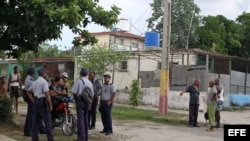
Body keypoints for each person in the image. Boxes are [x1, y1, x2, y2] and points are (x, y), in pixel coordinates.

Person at [27, 68, 54, 141]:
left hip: (36, 103)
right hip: (43, 104)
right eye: (46, 73)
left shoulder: (35, 82)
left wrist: (33, 100)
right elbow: (47, 94)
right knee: (47, 122)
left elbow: (28, 91)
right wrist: (50, 104)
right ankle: (50, 139)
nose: (47, 74)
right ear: (43, 74)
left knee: (36, 122)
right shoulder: (44, 82)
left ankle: (35, 138)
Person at [71, 68, 94, 141]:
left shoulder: (78, 81)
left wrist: (75, 100)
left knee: (80, 119)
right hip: (87, 102)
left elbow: (74, 92)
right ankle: (85, 137)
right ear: (87, 74)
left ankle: (81, 138)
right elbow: (92, 95)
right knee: (85, 119)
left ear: (80, 74)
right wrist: (90, 103)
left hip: (80, 102)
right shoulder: (90, 83)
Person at [23, 67, 45, 136]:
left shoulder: (30, 78)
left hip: (34, 97)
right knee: (30, 115)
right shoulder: (29, 80)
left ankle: (41, 129)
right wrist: (32, 100)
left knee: (38, 114)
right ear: (32, 72)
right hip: (31, 98)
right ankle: (27, 131)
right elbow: (30, 90)